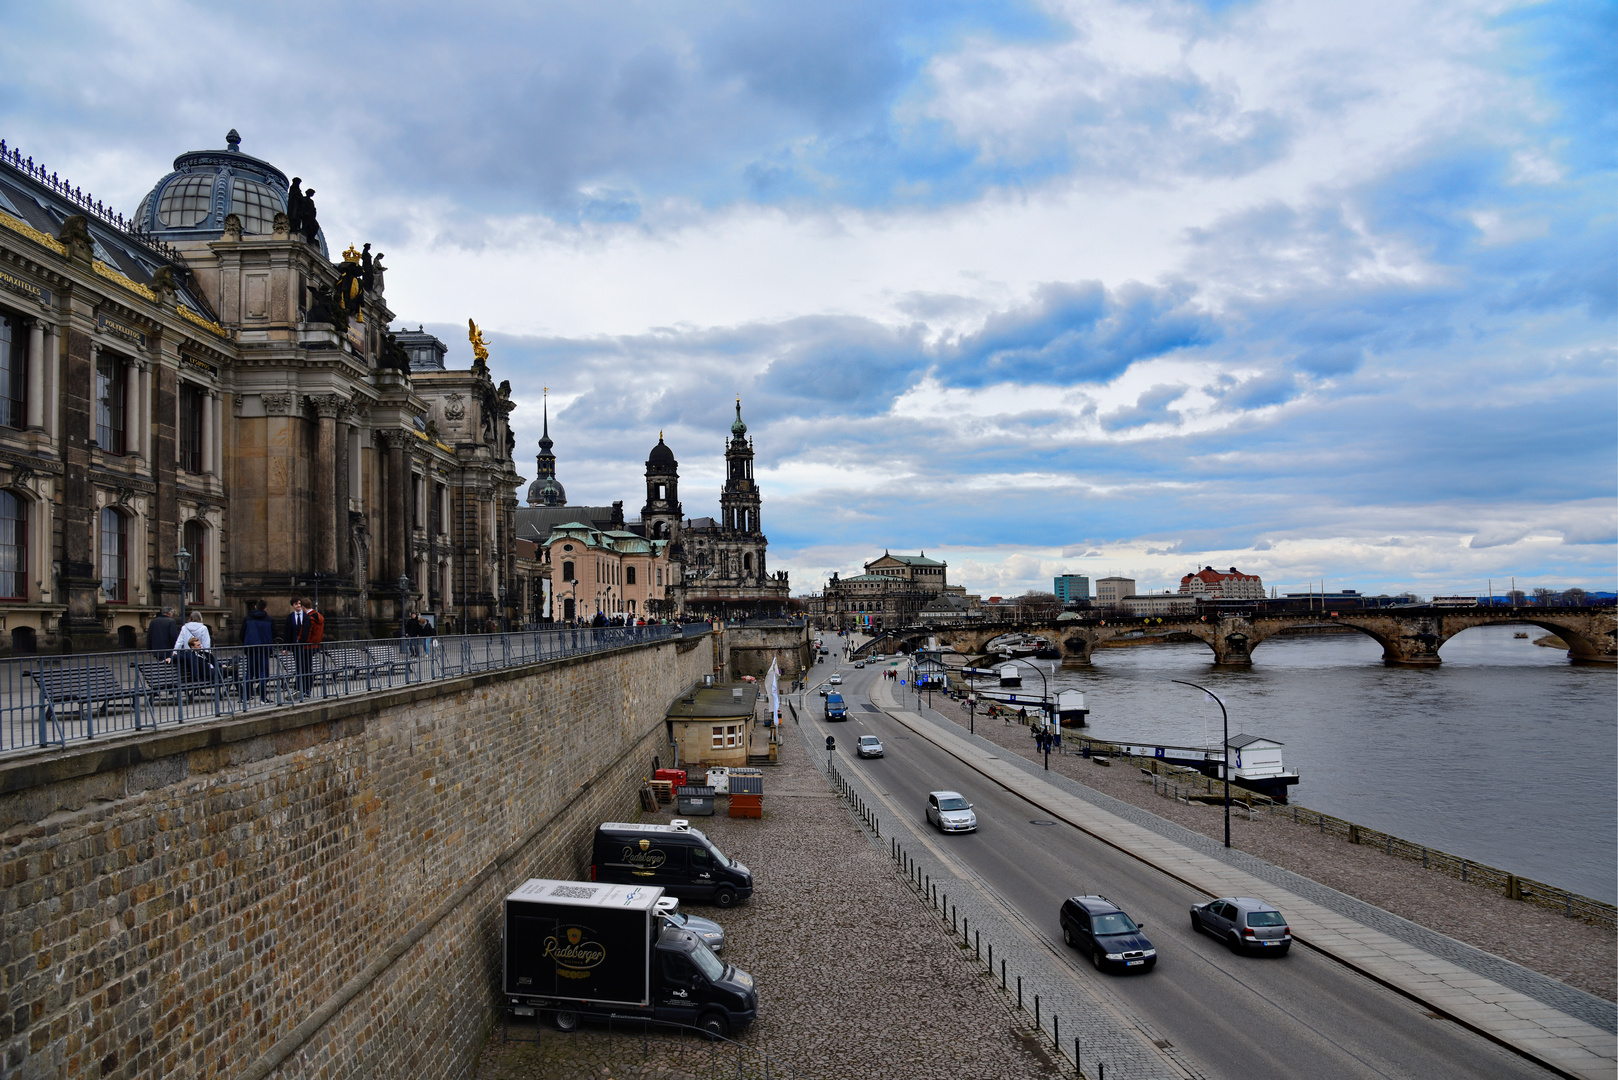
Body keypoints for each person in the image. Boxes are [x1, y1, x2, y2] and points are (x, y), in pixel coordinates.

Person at [242, 599, 275, 700]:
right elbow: (274, 634)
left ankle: (246, 697)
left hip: (251, 648)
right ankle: (263, 697)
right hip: (264, 649)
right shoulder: (269, 620)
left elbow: (242, 634)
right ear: (265, 608)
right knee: (263, 673)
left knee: (249, 673)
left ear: (255, 607)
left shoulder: (247, 619)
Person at [285, 599, 314, 697]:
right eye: (295, 604)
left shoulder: (307, 616)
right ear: (292, 605)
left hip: (306, 646)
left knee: (307, 667)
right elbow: (288, 632)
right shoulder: (290, 617)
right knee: (299, 667)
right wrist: (286, 647)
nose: (298, 605)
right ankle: (299, 688)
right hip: (295, 647)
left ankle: (307, 688)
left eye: (299, 604)